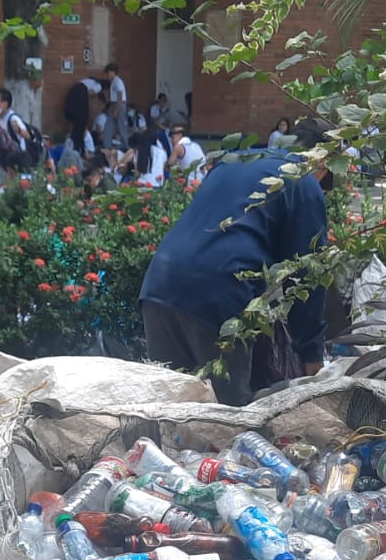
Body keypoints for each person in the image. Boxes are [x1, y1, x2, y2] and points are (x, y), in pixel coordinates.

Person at [139, 118, 336, 406]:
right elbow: (307, 273)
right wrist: (311, 354)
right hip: (218, 294)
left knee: (171, 409)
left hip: (159, 286)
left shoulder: (234, 160)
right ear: (324, 160)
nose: (322, 186)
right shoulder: (303, 180)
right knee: (229, 417)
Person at [0, 88, 32, 171]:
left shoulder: (13, 118)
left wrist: (19, 130)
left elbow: (27, 136)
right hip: (6, 156)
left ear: (5, 104)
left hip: (18, 157)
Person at [63, 76, 104, 157]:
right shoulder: (98, 85)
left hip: (72, 97)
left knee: (75, 121)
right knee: (81, 119)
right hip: (80, 95)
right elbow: (90, 93)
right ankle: (77, 146)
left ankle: (73, 143)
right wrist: (93, 96)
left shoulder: (87, 81)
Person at [102, 62, 128, 149]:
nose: (107, 75)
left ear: (113, 72)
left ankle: (125, 145)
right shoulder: (113, 82)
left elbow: (120, 96)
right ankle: (107, 145)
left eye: (108, 73)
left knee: (121, 125)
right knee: (109, 125)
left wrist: (116, 110)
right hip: (114, 104)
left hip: (119, 104)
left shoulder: (118, 81)